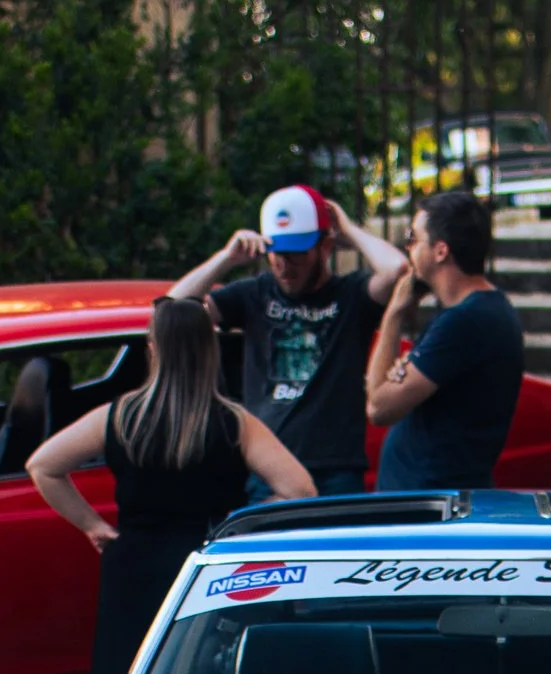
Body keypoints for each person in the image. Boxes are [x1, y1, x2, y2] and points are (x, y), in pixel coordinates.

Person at [28, 299, 313, 674]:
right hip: (206, 563)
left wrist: (92, 525)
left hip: (134, 566)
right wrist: (240, 523)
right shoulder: (234, 423)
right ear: (209, 350)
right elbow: (299, 490)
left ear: (153, 348)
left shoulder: (119, 416)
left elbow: (43, 465)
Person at [170, 185, 405, 497]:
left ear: (325, 246)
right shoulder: (254, 294)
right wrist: (225, 259)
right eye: (277, 253)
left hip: (335, 469)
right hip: (269, 467)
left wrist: (348, 228)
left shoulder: (351, 296)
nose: (284, 265)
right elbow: (171, 311)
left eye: (297, 254)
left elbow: (399, 270)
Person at [365, 189, 524, 496]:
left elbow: (378, 407)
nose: (407, 247)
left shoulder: (465, 322)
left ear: (440, 251)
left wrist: (394, 314)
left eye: (413, 238)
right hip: (431, 499)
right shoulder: (480, 312)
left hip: (429, 505)